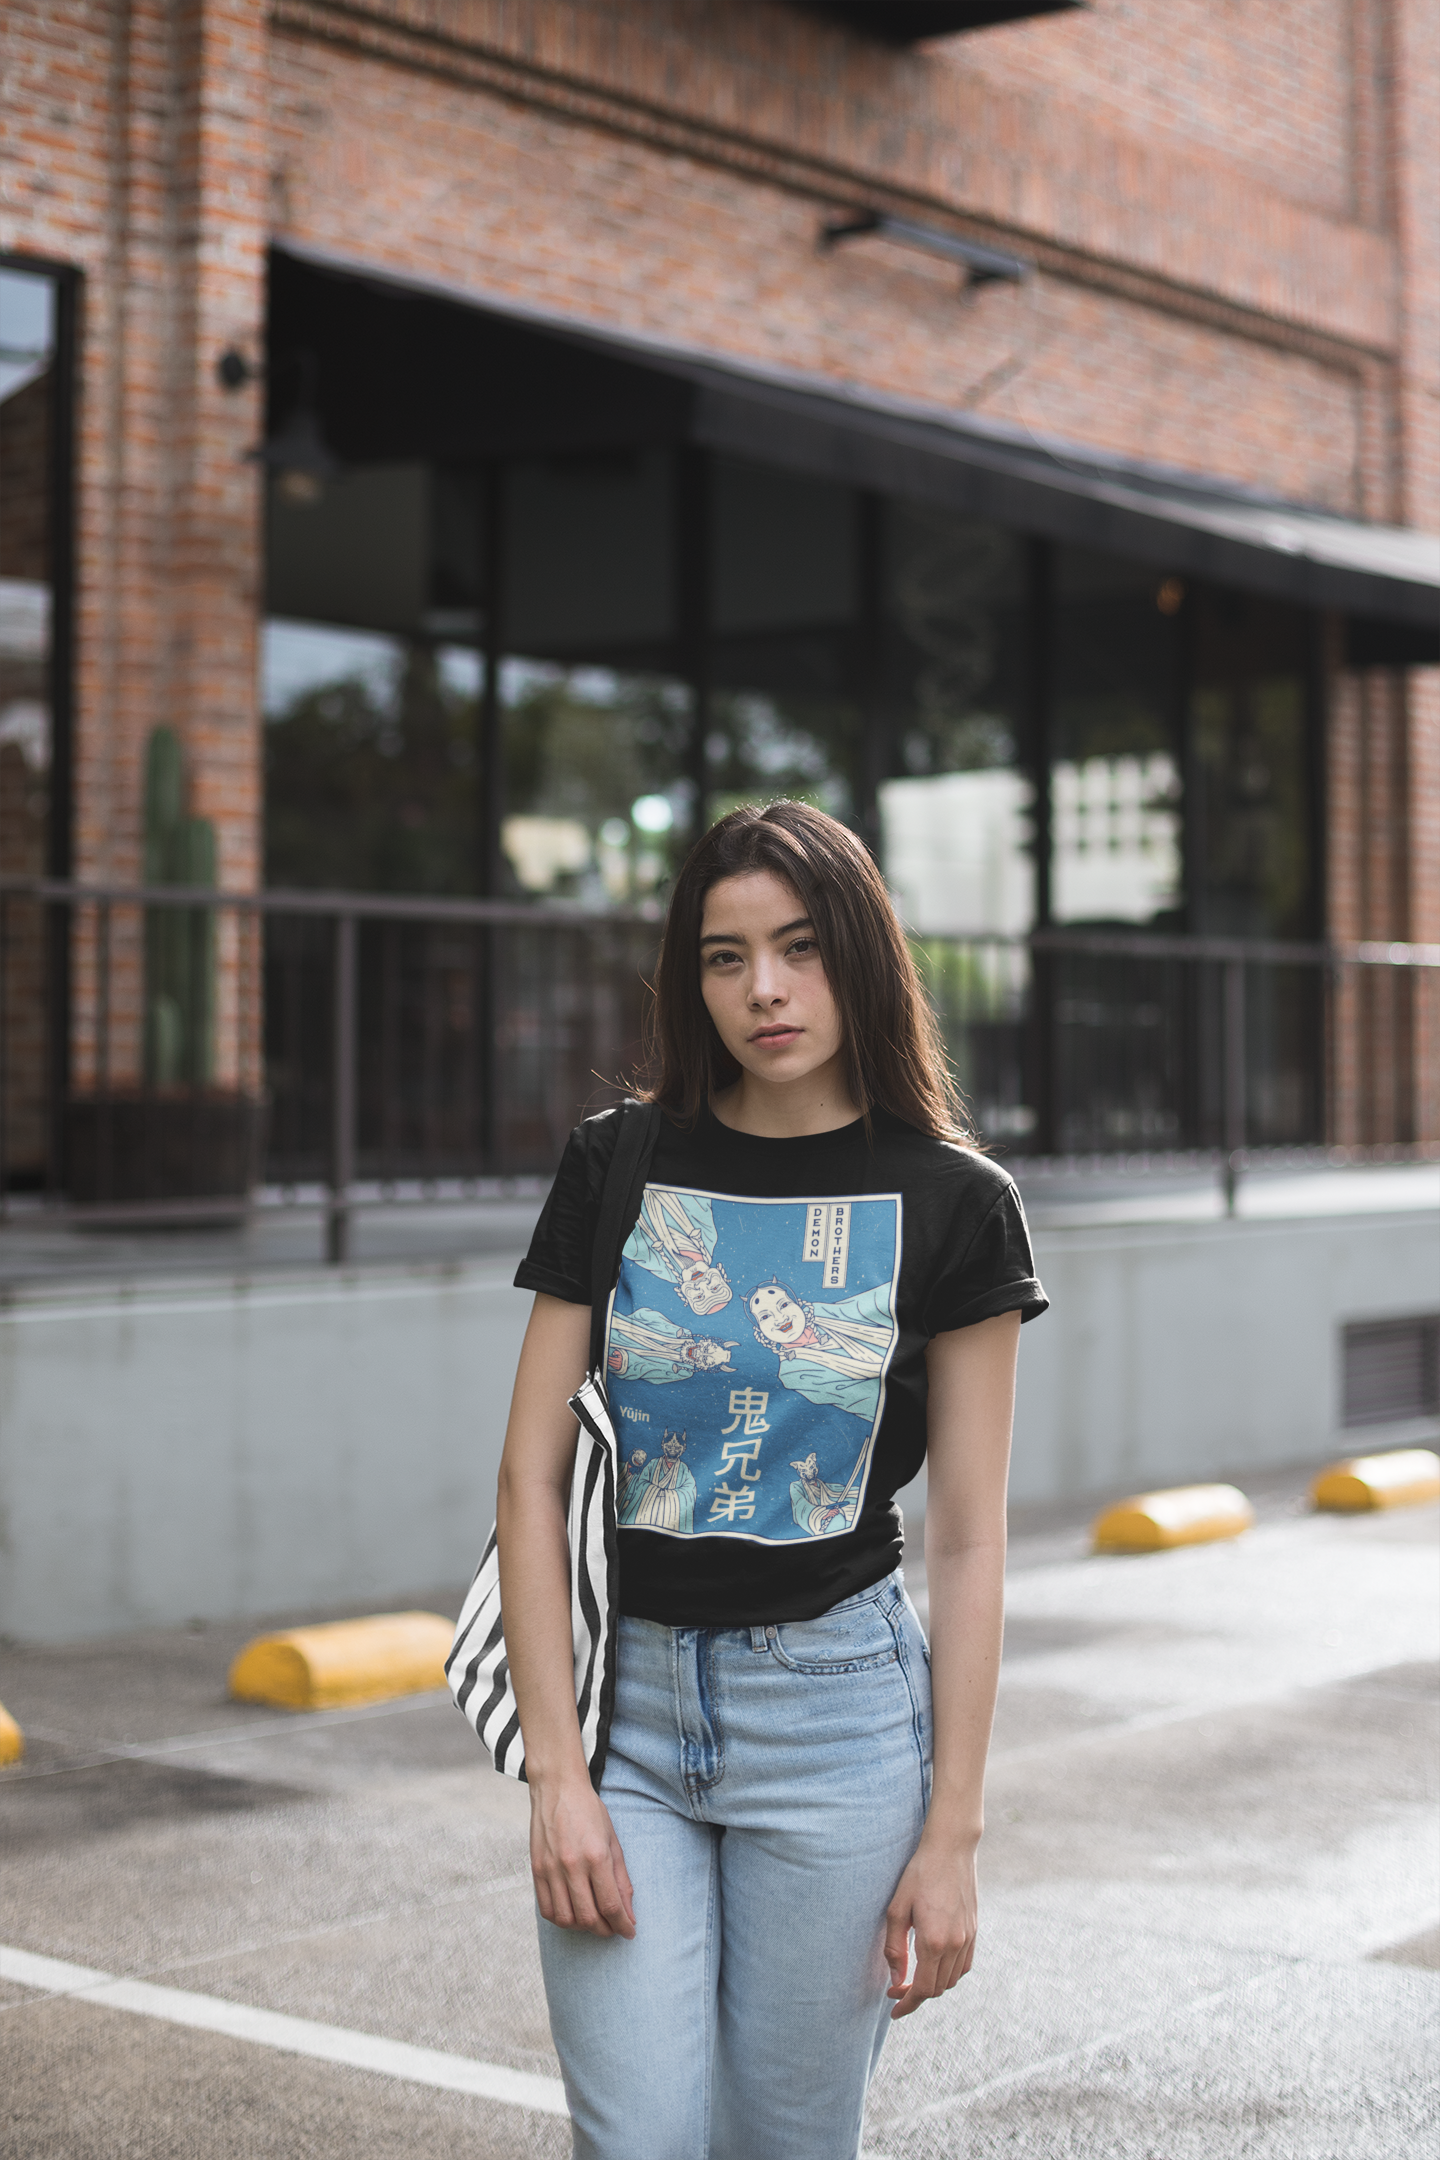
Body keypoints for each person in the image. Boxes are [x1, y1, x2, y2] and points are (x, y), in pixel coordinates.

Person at [495, 800, 1047, 2160]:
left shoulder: (955, 1202)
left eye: (799, 948)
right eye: (725, 957)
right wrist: (555, 1774)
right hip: (628, 1717)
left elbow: (970, 1540)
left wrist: (955, 1835)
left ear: (860, 956)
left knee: (784, 2144)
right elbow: (529, 1478)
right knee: (636, 2138)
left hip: (839, 1724)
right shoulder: (619, 1162)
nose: (765, 990)